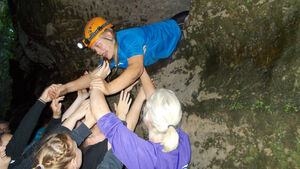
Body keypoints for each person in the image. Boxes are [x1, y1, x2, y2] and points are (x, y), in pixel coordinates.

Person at [53, 11, 189, 97]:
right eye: (95, 50)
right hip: (171, 49)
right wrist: (65, 88)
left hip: (180, 27)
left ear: (108, 35)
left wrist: (109, 88)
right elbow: (92, 77)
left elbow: (136, 69)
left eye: (98, 45)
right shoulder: (111, 55)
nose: (99, 52)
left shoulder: (128, 39)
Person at [89, 69, 191, 169]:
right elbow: (155, 99)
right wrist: (140, 66)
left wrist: (96, 80)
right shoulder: (182, 139)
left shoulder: (145, 157)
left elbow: (102, 115)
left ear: (148, 121)